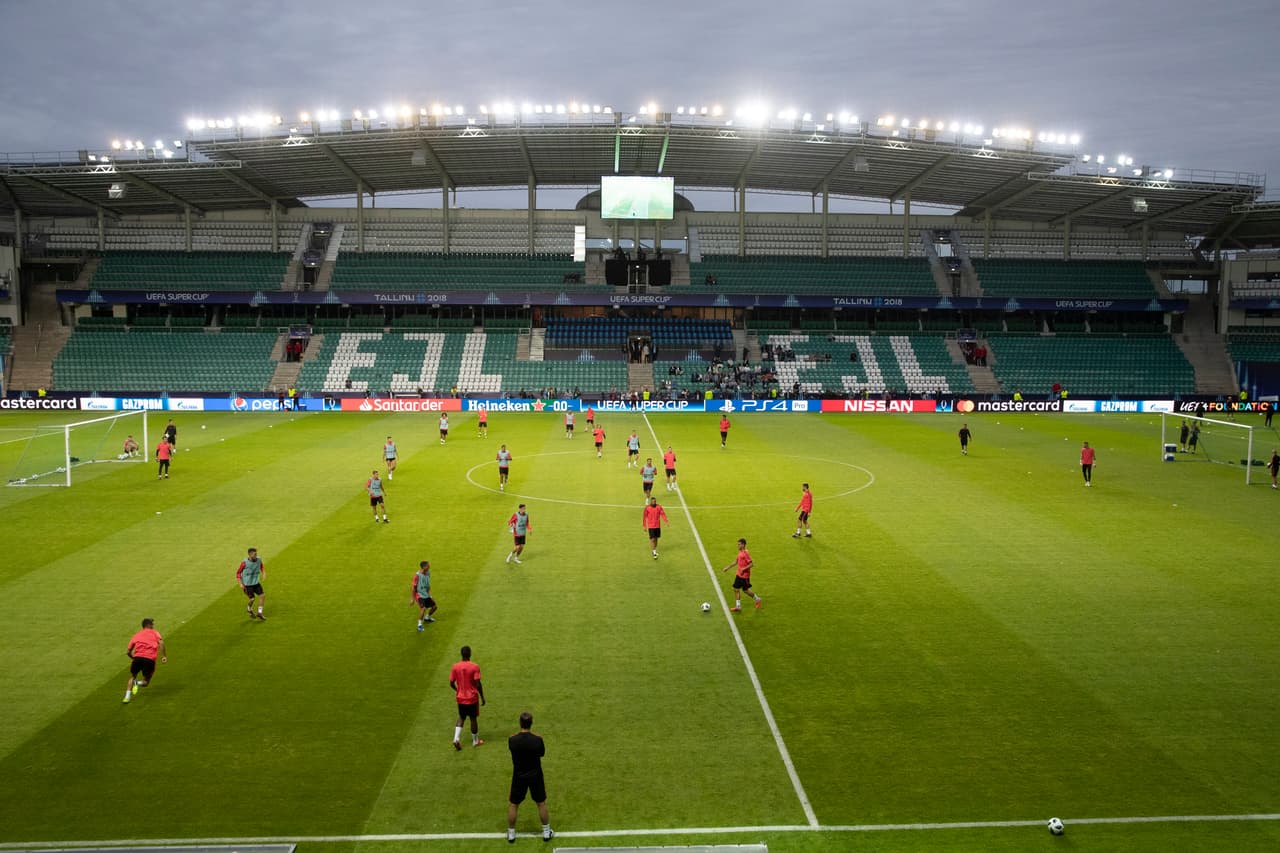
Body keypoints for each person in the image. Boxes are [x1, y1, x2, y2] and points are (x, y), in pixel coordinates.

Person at [506, 711, 553, 843]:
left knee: (514, 804)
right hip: (535, 776)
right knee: (541, 803)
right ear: (531, 723)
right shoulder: (538, 739)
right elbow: (542, 753)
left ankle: (511, 834)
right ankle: (546, 832)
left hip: (519, 776)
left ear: (520, 723)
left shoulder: (512, 740)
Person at [123, 618, 167, 704]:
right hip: (149, 659)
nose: (153, 626)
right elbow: (161, 643)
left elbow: (128, 652)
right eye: (152, 624)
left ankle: (127, 697)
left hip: (137, 658)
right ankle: (137, 683)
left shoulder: (136, 635)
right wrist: (164, 656)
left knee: (133, 676)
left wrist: (133, 658)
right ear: (149, 625)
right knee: (146, 682)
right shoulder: (155, 632)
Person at [450, 645, 485, 750]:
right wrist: (482, 697)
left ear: (461, 654)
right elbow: (478, 684)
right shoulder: (474, 667)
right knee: (473, 718)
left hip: (461, 698)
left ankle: (456, 738)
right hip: (472, 698)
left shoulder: (455, 667)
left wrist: (458, 690)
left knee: (461, 717)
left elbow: (451, 682)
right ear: (470, 654)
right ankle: (475, 741)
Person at [721, 538, 761, 611]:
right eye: (738, 544)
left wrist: (743, 569)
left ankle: (757, 599)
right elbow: (736, 562)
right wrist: (727, 567)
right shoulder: (740, 552)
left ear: (743, 544)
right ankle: (738, 606)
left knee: (745, 590)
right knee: (736, 589)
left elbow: (751, 564)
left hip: (744, 576)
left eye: (739, 544)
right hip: (739, 575)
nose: (738, 546)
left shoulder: (745, 553)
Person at [236, 547, 266, 621]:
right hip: (247, 584)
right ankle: (249, 609)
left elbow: (261, 565)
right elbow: (238, 573)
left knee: (262, 596)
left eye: (256, 554)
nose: (256, 556)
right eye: (254, 554)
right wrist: (240, 584)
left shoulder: (259, 559)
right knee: (252, 599)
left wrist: (264, 572)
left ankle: (259, 612)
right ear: (250, 554)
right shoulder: (244, 563)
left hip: (255, 583)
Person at [412, 560, 437, 631]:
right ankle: (419, 625)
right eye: (428, 566)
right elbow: (413, 588)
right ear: (424, 567)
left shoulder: (428, 573)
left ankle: (427, 618)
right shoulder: (417, 576)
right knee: (423, 609)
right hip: (419, 595)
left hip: (426, 594)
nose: (429, 566)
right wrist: (412, 599)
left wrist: (430, 595)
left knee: (434, 607)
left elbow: (428, 586)